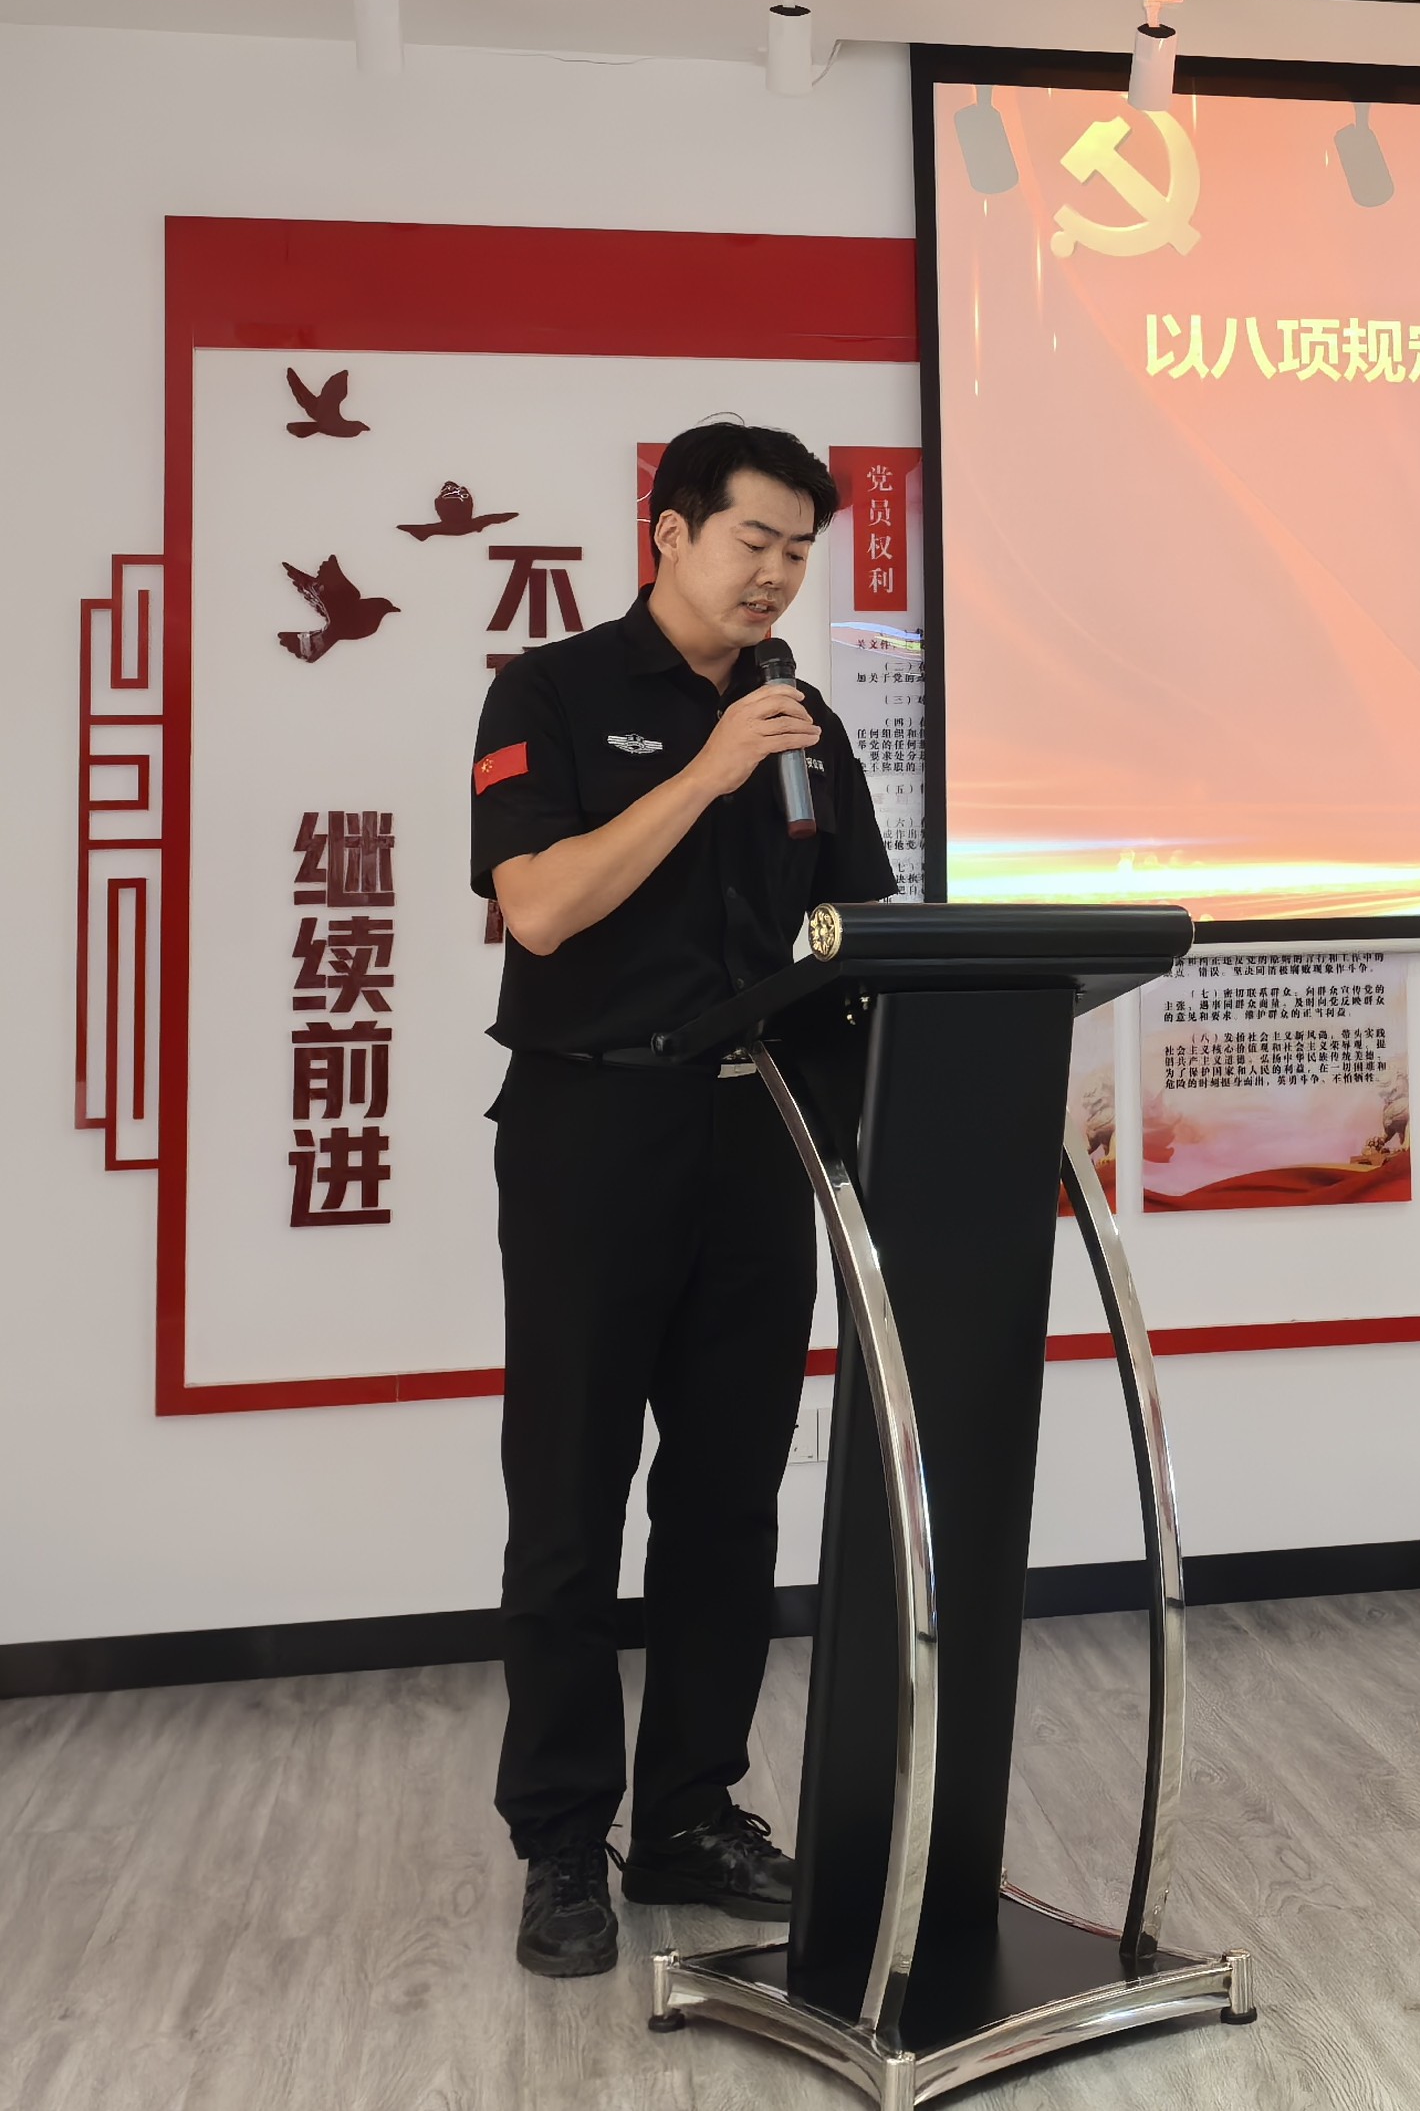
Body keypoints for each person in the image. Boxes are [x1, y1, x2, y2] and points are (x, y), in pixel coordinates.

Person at [468, 422, 897, 1978]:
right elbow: (538, 904)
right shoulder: (550, 693)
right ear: (669, 532)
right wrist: (710, 768)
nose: (777, 574)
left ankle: (691, 1816)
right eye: (753, 541)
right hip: (592, 1131)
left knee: (726, 1500)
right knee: (569, 1499)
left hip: (753, 1137)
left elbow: (861, 928)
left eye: (798, 551)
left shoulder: (807, 726)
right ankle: (562, 1838)